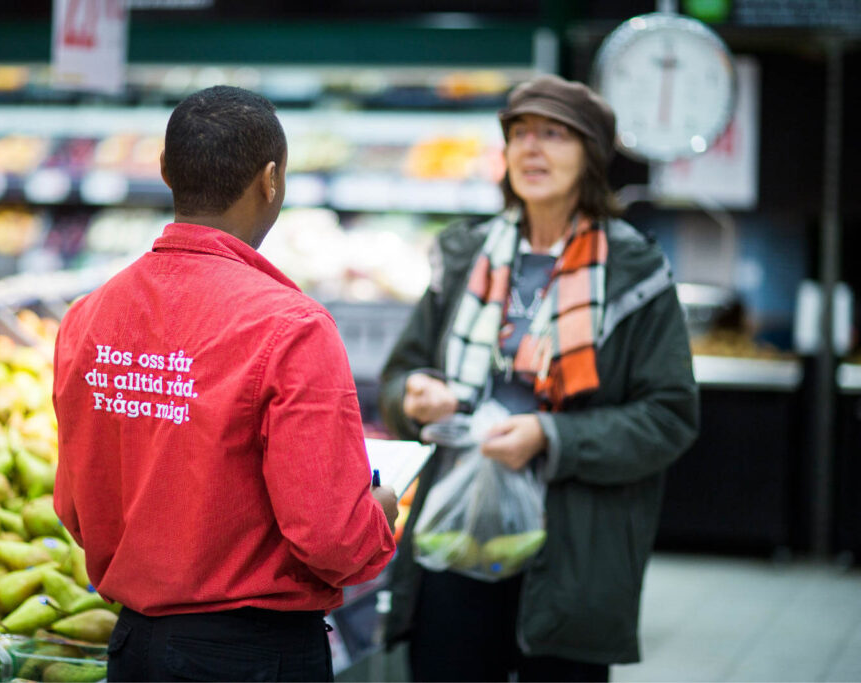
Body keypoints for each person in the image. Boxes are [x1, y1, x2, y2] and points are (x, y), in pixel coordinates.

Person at [52, 85, 398, 682]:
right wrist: (379, 515)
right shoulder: (293, 327)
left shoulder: (88, 315)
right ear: (270, 181)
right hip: (254, 658)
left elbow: (74, 505)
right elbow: (331, 538)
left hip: (133, 647)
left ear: (165, 171)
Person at [378, 74, 700, 682]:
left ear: (592, 156)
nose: (531, 149)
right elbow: (400, 374)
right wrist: (414, 396)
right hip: (456, 538)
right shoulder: (465, 254)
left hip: (573, 556)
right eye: (520, 133)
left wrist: (552, 440)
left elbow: (668, 416)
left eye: (553, 134)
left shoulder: (635, 272)